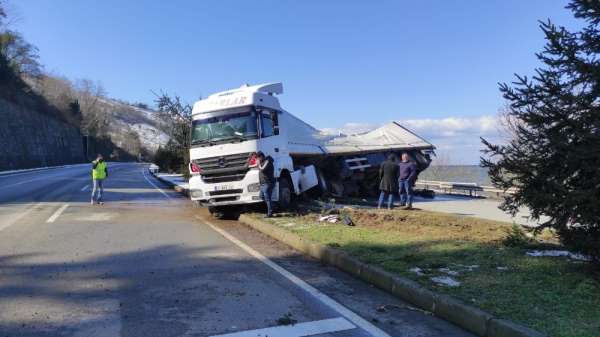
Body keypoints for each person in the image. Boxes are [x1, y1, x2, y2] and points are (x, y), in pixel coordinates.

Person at [256, 151, 275, 217]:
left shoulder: (268, 161)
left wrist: (258, 165)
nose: (257, 160)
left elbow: (262, 169)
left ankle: (270, 213)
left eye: (258, 158)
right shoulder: (262, 162)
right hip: (262, 183)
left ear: (261, 156)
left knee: (267, 198)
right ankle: (272, 207)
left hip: (268, 183)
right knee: (261, 196)